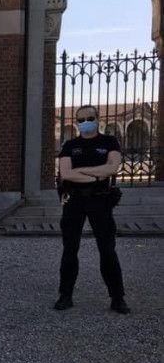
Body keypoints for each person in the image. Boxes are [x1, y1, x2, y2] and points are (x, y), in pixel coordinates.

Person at [54, 105, 129, 314]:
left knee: (107, 249)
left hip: (100, 200)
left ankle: (117, 297)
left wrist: (82, 171)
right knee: (70, 249)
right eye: (81, 120)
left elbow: (112, 167)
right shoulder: (70, 145)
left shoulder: (109, 142)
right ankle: (65, 295)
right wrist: (97, 175)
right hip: (74, 200)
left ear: (97, 118)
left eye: (89, 118)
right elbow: (66, 174)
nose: (85, 122)